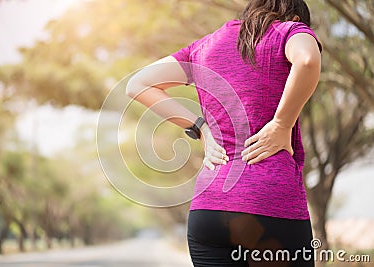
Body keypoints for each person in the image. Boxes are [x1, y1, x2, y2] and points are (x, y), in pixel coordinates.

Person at [126, 0, 322, 266]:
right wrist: (281, 124)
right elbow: (308, 60)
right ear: (295, 15)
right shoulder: (288, 32)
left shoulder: (203, 46)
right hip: (270, 205)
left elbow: (137, 84)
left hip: (209, 210)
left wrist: (200, 128)